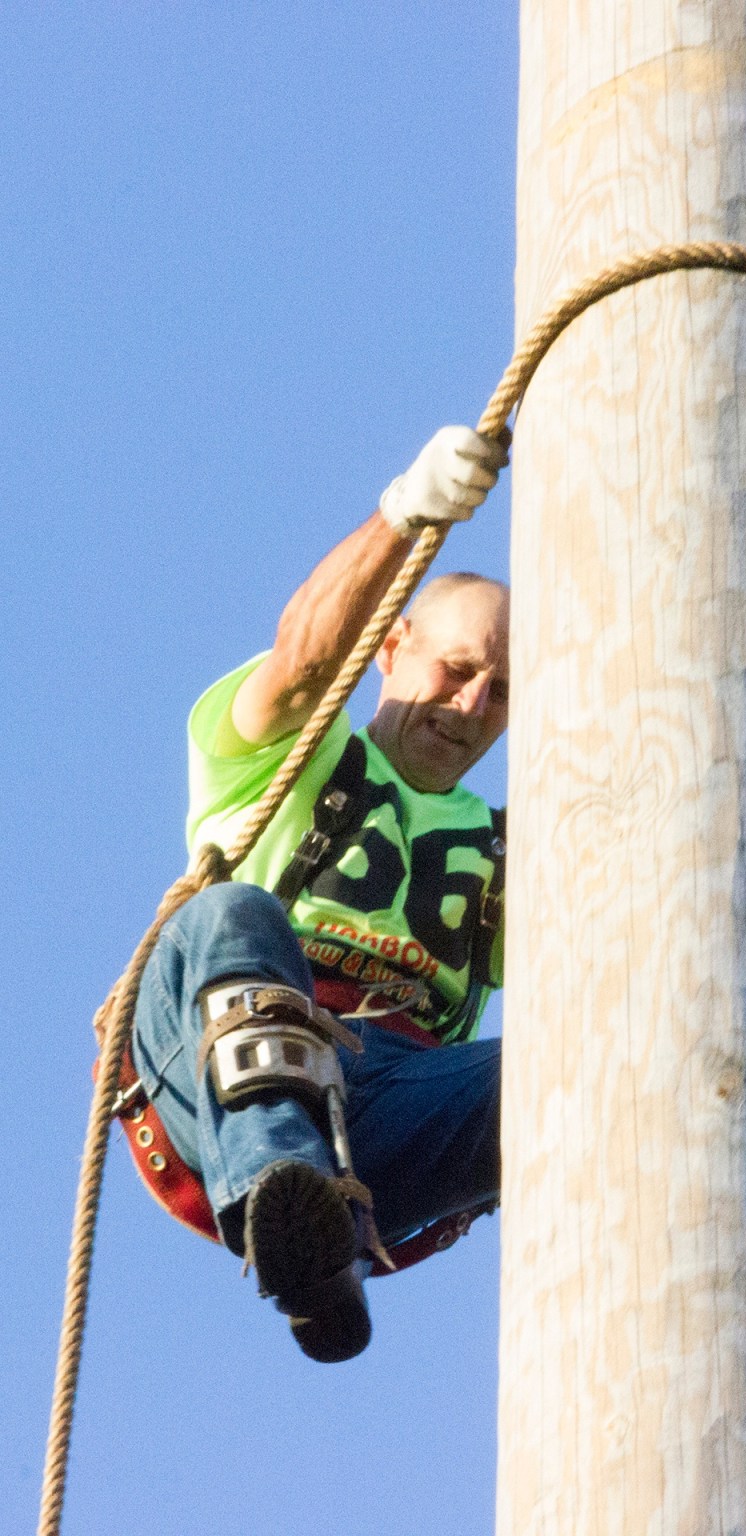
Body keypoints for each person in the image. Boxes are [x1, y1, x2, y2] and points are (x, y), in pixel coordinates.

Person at [129, 425, 510, 1363]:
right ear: (393, 648)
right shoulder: (290, 759)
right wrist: (404, 515)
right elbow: (302, 658)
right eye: (456, 671)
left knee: (581, 1064)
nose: (467, 708)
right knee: (231, 914)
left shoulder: (515, 855)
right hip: (226, 1055)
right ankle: (286, 1201)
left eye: (500, 694)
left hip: (398, 1106)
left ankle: (323, 1246)